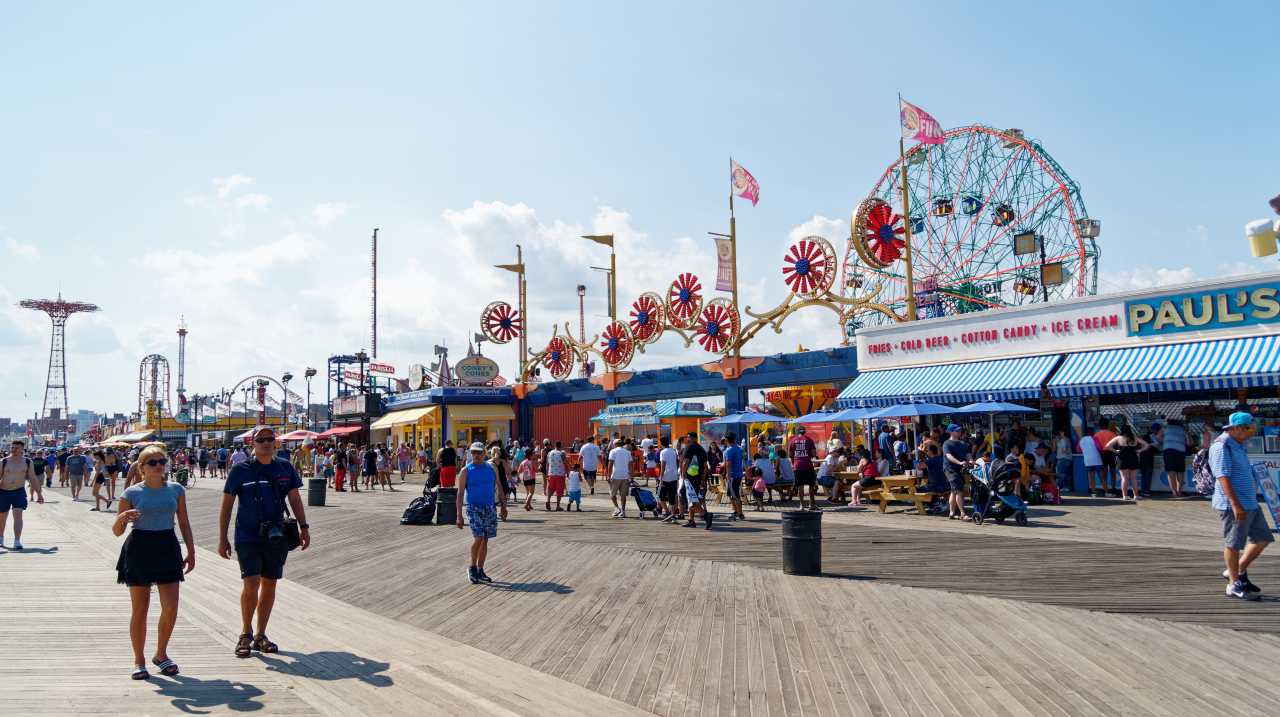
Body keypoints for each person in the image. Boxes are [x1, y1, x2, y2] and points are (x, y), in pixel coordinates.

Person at [217, 426, 311, 658]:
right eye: (262, 440)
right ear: (253, 443)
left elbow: (295, 498)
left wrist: (304, 526)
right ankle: (246, 633)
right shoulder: (240, 471)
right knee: (251, 582)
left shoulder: (285, 467)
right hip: (247, 534)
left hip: (276, 533)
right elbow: (227, 505)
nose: (267, 443)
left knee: (270, 583)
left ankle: (261, 634)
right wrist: (222, 538)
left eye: (271, 439)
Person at [113, 445, 196, 680]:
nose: (159, 465)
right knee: (140, 609)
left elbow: (184, 522)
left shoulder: (176, 490)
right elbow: (117, 531)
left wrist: (190, 550)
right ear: (141, 467)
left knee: (171, 606)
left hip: (167, 545)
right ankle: (139, 660)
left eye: (162, 461)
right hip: (140, 546)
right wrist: (121, 518)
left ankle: (161, 654)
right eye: (152, 462)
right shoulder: (131, 494)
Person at [1211, 412, 1270, 600]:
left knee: (1262, 538)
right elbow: (1222, 477)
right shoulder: (1222, 446)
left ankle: (1236, 571)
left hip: (1249, 501)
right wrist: (1235, 505)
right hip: (1233, 505)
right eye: (1249, 429)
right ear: (1236, 428)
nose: (1252, 433)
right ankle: (1233, 585)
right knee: (1234, 543)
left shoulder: (1238, 444)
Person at [456, 442, 508, 584]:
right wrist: (459, 515)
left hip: (490, 507)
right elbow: (460, 494)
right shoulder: (466, 471)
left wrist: (503, 506)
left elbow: (499, 486)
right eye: (473, 452)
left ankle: (480, 569)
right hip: (473, 508)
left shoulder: (491, 468)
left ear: (484, 453)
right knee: (478, 537)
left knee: (485, 538)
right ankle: (472, 567)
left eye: (479, 452)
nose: (476, 455)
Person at [0, 440, 33, 550]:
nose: (14, 450)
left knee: (18, 515)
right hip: (3, 492)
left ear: (22, 449)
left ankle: (17, 541)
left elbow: (32, 477)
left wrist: (39, 493)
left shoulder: (27, 462)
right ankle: (1, 538)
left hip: (19, 491)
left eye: (17, 448)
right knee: (2, 517)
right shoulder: (3, 461)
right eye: (12, 447)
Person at [1105, 426, 1148, 502]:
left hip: (1122, 459)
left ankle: (1125, 496)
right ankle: (1136, 496)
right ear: (1130, 431)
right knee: (1133, 478)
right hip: (1133, 458)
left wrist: (1116, 451)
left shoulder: (1118, 438)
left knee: (1124, 478)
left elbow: (1107, 446)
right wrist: (1139, 451)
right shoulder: (1134, 438)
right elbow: (1146, 445)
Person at [681, 432, 712, 529]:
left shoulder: (689, 447)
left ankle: (705, 515)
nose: (687, 438)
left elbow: (685, 462)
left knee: (689, 498)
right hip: (698, 478)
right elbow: (705, 466)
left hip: (689, 477)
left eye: (688, 437)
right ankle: (691, 520)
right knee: (692, 498)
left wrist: (683, 474)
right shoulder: (701, 449)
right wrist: (703, 479)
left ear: (692, 438)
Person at [942, 424, 971, 520]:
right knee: (959, 490)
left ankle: (951, 513)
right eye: (957, 430)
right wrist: (959, 462)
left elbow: (968, 454)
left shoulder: (962, 444)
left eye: (959, 430)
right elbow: (948, 456)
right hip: (950, 469)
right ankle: (963, 513)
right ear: (951, 432)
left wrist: (971, 461)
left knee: (954, 491)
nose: (959, 432)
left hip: (960, 469)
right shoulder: (947, 443)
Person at [788, 425, 819, 511]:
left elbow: (790, 455)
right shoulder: (809, 440)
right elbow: (813, 454)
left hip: (797, 466)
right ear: (804, 431)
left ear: (796, 432)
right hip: (808, 465)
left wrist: (794, 462)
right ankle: (812, 504)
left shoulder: (792, 441)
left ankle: (801, 505)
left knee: (800, 486)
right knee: (811, 486)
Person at [721, 432, 745, 521]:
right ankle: (736, 511)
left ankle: (739, 513)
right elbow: (741, 460)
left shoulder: (729, 451)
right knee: (731, 494)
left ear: (727, 440)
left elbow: (728, 464)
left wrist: (728, 475)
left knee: (735, 495)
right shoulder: (739, 449)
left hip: (732, 475)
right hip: (738, 474)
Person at [1163, 418, 1188, 498]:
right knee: (1180, 472)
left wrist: (1166, 441)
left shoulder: (1165, 428)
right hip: (1180, 451)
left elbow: (1158, 438)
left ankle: (1174, 492)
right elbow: (1190, 443)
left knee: (1171, 472)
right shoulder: (1182, 429)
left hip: (1168, 450)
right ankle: (1179, 491)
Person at [607, 439, 632, 518]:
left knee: (612, 493)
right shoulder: (627, 452)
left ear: (615, 444)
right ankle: (623, 511)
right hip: (625, 476)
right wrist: (631, 475)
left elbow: (610, 464)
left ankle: (617, 508)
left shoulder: (613, 451)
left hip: (615, 475)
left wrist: (608, 475)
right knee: (623, 495)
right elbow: (631, 464)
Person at [657, 436, 680, 521]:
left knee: (661, 496)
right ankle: (672, 514)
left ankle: (667, 512)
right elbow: (677, 462)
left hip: (666, 477)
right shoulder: (673, 451)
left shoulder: (663, 452)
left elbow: (663, 465)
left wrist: (661, 477)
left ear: (661, 443)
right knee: (672, 497)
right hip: (674, 476)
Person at [1094, 419, 1118, 496]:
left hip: (1102, 454)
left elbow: (1095, 446)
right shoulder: (1113, 434)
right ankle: (1113, 488)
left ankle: (1106, 489)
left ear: (1099, 426)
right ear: (1107, 425)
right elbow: (1116, 445)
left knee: (1104, 473)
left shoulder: (1096, 435)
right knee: (1113, 472)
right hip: (1111, 454)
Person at [1079, 427, 1104, 497]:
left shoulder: (1081, 440)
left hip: (1087, 461)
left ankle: (1093, 493)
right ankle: (1107, 492)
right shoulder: (1094, 438)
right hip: (1097, 460)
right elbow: (1099, 447)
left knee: (1091, 478)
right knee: (1102, 477)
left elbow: (1078, 450)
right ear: (1091, 432)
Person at [1139, 423, 1162, 498]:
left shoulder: (1145, 436)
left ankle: (1143, 491)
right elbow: (1157, 449)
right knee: (1147, 476)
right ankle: (1146, 491)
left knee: (1144, 476)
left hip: (1142, 458)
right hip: (1148, 459)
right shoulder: (1153, 437)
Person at [545, 440, 567, 511]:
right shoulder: (562, 453)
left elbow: (547, 464)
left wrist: (547, 473)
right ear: (560, 446)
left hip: (551, 473)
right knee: (559, 490)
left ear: (555, 445)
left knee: (551, 488)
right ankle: (558, 506)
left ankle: (548, 500)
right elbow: (565, 462)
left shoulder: (550, 453)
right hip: (560, 474)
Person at [1053, 428, 1074, 494]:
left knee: (1060, 474)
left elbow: (1063, 450)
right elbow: (1054, 450)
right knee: (1066, 473)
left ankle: (1058, 487)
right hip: (1066, 458)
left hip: (1063, 458)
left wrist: (1056, 442)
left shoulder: (1064, 440)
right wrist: (1055, 442)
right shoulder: (1064, 440)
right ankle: (1066, 487)